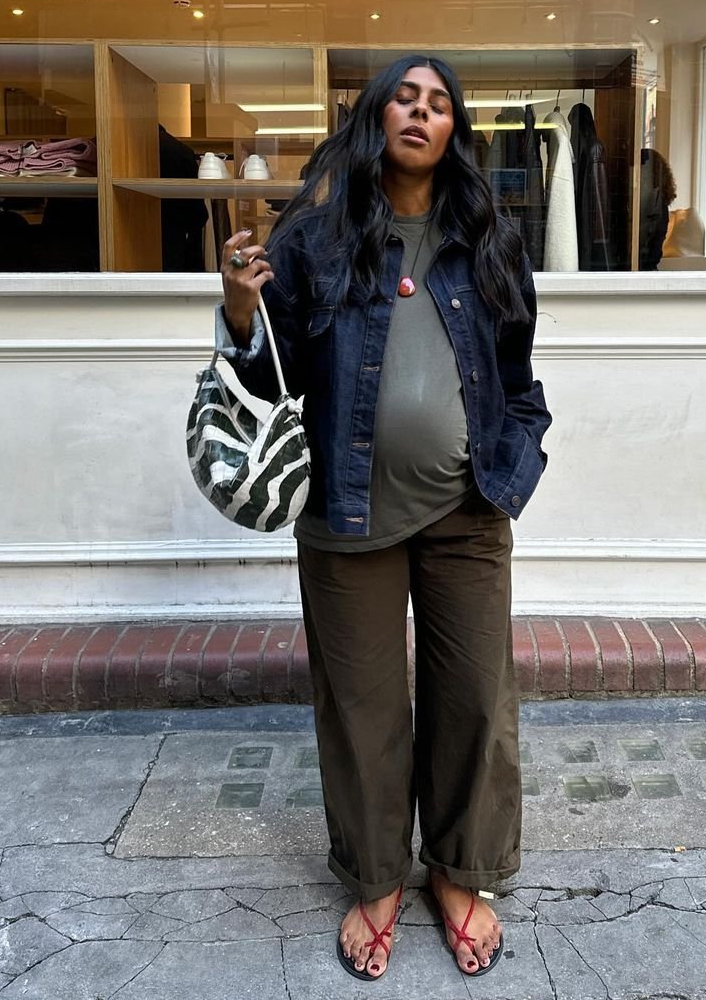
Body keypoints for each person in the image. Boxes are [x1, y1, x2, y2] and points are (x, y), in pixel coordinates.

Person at [215, 54, 551, 981]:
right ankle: (373, 874)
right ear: (377, 117)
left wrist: (516, 463)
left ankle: (460, 869)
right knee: (361, 707)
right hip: (346, 512)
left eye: (439, 103)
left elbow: (518, 374)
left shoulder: (486, 236)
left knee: (474, 696)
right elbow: (262, 378)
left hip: (466, 505)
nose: (421, 112)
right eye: (405, 97)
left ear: (454, 132)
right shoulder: (316, 238)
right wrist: (242, 312)